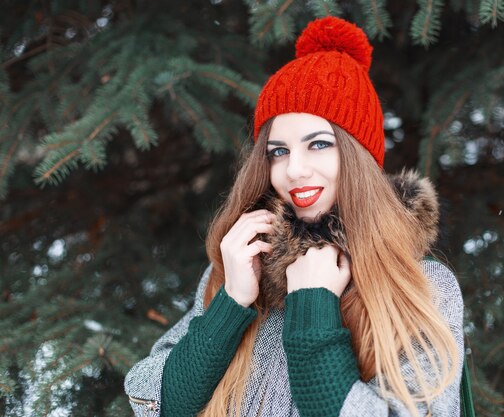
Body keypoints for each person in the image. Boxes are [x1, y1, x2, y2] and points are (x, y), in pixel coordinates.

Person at [125, 16, 464, 417]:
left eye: (319, 144)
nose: (294, 170)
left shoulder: (418, 284)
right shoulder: (247, 263)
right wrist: (232, 301)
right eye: (278, 151)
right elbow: (158, 402)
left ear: (359, 157)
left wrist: (314, 308)